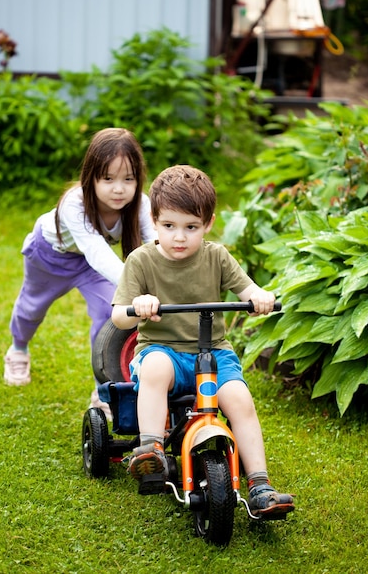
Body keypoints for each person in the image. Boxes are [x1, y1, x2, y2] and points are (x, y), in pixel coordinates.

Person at [111, 164, 295, 519]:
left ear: (208, 223)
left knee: (240, 400)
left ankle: (260, 484)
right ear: (154, 220)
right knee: (154, 368)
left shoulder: (217, 257)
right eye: (169, 226)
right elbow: (118, 316)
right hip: (161, 349)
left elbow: (247, 288)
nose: (179, 237)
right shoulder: (142, 260)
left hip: (213, 354)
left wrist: (260, 297)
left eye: (191, 228)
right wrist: (138, 307)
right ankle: (152, 452)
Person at [4, 127, 156, 404]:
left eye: (128, 178)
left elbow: (155, 246)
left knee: (110, 311)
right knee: (32, 307)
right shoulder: (74, 204)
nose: (119, 188)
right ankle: (18, 350)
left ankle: (104, 388)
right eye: (108, 178)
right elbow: (97, 251)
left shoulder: (140, 205)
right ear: (91, 177)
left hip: (89, 265)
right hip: (50, 256)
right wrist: (137, 287)